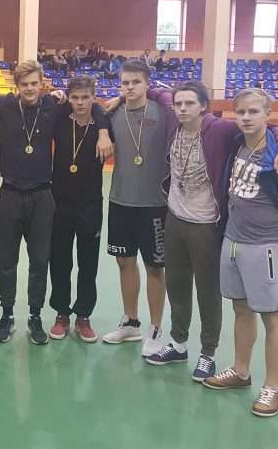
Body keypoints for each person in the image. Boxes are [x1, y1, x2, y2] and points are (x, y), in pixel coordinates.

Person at [141, 82, 278, 383]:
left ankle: (208, 353)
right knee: (176, 285)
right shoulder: (175, 122)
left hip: (205, 225)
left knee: (208, 291)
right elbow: (158, 92)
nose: (182, 108)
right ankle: (178, 343)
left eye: (190, 103)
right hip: (174, 219)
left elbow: (269, 127)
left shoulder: (221, 129)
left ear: (204, 106)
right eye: (178, 103)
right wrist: (136, 91)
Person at [0, 60, 112, 346]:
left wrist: (102, 131)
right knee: (7, 261)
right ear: (17, 86)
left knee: (40, 261)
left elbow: (93, 107)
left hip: (42, 196)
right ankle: (6, 315)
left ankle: (35, 316)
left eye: (34, 83)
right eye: (24, 84)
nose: (29, 89)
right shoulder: (4, 104)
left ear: (42, 84)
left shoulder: (53, 106)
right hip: (10, 194)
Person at [204, 88, 278, 418]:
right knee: (241, 309)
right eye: (241, 112)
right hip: (233, 240)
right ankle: (241, 371)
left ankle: (272, 387)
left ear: (268, 114)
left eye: (254, 111)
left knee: (271, 315)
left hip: (266, 245)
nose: (246, 118)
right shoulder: (236, 144)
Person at [101, 60, 169, 357]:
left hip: (155, 204)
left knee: (155, 267)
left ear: (147, 83)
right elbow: (96, 119)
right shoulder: (113, 113)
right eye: (125, 83)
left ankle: (155, 328)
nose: (129, 88)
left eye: (135, 82)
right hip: (120, 200)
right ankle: (131, 322)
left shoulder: (163, 112)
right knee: (124, 261)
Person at [48, 76, 108, 343]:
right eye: (75, 97)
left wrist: (103, 130)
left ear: (93, 97)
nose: (80, 102)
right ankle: (62, 312)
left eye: (85, 97)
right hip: (59, 203)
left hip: (90, 205)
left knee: (88, 263)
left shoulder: (103, 124)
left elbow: (104, 110)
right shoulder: (60, 120)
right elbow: (48, 105)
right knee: (60, 261)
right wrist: (57, 97)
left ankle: (83, 315)